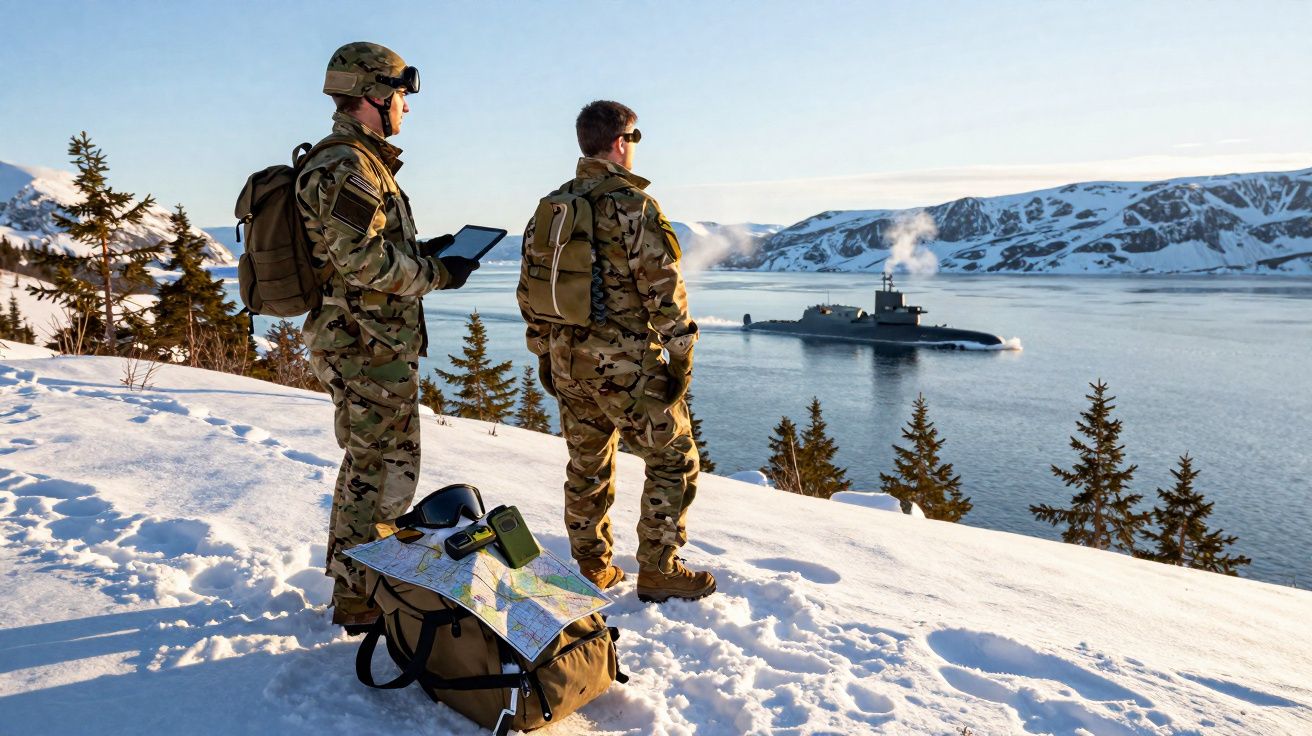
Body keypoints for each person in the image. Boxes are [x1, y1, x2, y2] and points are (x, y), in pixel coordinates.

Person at [297, 41, 479, 630]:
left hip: (369, 343)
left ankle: (357, 586)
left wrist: (422, 253)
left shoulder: (360, 163)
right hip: (365, 347)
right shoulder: (347, 164)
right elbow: (362, 264)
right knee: (382, 473)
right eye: (401, 95)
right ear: (374, 94)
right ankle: (358, 595)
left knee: (373, 468)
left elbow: (354, 254)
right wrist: (438, 273)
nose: (406, 107)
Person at [516, 100, 715, 603]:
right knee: (674, 459)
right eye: (634, 138)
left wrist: (544, 351)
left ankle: (592, 566)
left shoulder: (551, 206)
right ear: (621, 142)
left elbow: (529, 292)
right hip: (624, 366)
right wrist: (681, 355)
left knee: (587, 464)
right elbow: (663, 290)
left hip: (567, 364)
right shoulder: (634, 206)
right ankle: (660, 568)